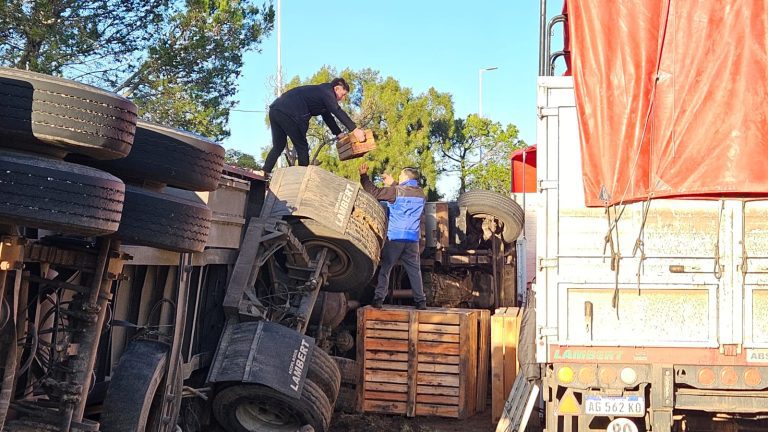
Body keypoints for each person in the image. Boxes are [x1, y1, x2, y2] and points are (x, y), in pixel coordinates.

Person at [262, 78, 367, 175]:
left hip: (275, 110)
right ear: (336, 88)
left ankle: (265, 171)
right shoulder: (327, 92)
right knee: (302, 147)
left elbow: (327, 117)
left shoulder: (320, 93)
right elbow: (337, 110)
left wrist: (338, 133)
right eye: (343, 95)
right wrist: (355, 130)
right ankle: (301, 178)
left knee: (279, 145)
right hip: (289, 113)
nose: (342, 99)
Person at [359, 163, 427, 310]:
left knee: (386, 269)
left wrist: (364, 176)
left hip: (395, 237)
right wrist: (394, 183)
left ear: (406, 177)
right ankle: (421, 302)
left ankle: (378, 299)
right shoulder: (421, 194)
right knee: (414, 271)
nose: (399, 177)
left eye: (401, 175)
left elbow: (373, 192)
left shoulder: (395, 192)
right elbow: (407, 193)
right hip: (412, 239)